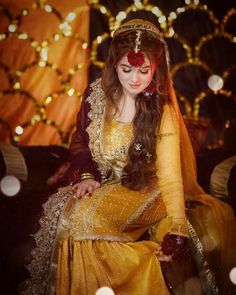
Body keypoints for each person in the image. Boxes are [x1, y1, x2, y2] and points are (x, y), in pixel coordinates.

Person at [21, 19, 236, 295]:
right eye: (126, 69)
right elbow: (80, 142)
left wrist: (179, 228)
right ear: (114, 65)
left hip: (150, 189)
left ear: (156, 69)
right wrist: (86, 175)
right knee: (67, 214)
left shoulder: (162, 110)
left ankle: (146, 271)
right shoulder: (96, 96)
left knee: (83, 220)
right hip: (112, 185)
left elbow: (170, 176)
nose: (135, 78)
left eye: (144, 70)